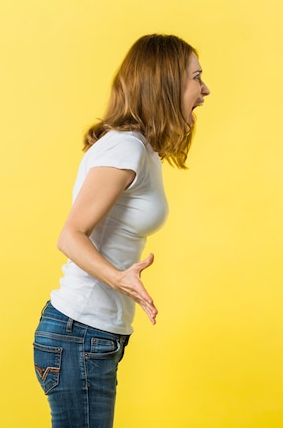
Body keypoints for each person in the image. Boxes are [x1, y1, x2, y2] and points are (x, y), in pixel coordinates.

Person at [33, 34, 210, 428]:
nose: (205, 89)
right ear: (165, 85)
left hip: (90, 337)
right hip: (78, 334)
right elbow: (70, 235)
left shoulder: (140, 149)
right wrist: (120, 278)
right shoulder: (125, 148)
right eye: (196, 78)